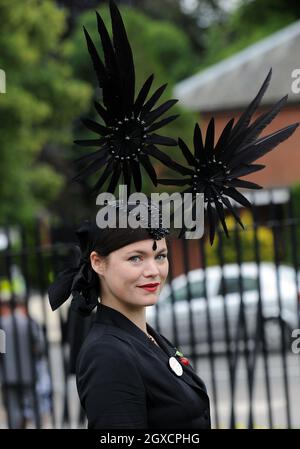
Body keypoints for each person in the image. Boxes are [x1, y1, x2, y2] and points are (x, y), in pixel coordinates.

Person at [48, 201, 211, 429]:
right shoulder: (107, 354)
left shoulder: (149, 338)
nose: (153, 271)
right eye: (136, 258)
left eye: (160, 256)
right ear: (98, 263)